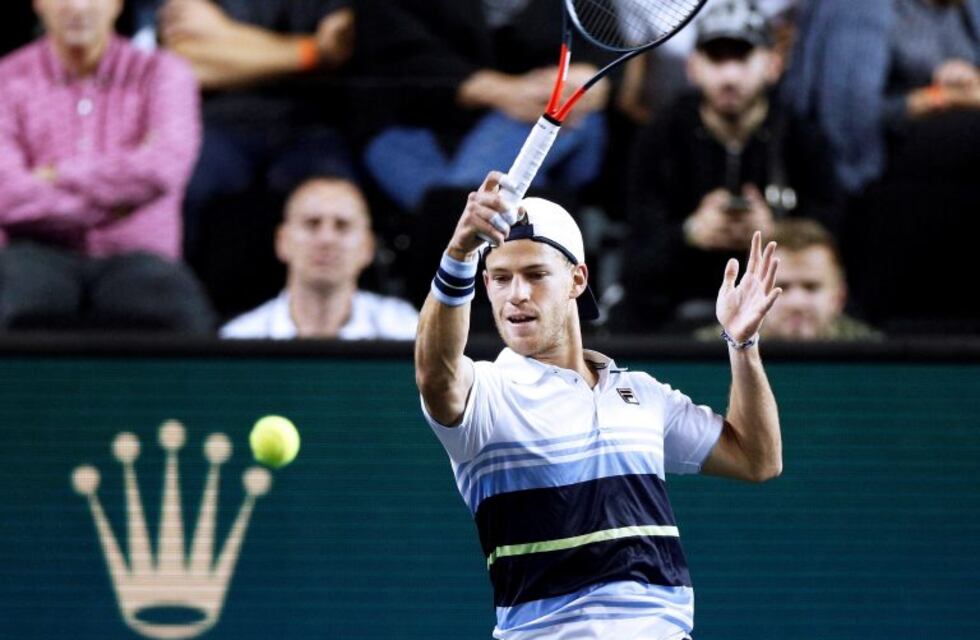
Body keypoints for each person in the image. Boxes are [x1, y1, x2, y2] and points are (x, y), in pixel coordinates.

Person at [414, 170, 783, 639]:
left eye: (535, 274)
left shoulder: (643, 395)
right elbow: (435, 373)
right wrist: (459, 254)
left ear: (576, 278)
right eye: (501, 278)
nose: (517, 295)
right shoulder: (487, 393)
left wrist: (742, 344)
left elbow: (757, 459)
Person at [618, 0, 838, 332]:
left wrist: (776, 233)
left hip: (776, 315)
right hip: (677, 313)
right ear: (693, 67)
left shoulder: (802, 135)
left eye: (742, 56)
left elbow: (835, 243)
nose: (729, 74)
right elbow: (635, 261)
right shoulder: (661, 136)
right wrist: (691, 232)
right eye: (716, 58)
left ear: (772, 64)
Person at [0, 0, 213, 332]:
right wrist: (118, 203)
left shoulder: (164, 73)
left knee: (183, 316)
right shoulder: (6, 78)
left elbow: (162, 168)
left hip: (140, 255)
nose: (78, 7)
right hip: (35, 251)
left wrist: (59, 174)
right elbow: (7, 193)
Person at [153, 0, 357, 280]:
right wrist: (309, 51)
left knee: (333, 199)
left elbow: (337, 47)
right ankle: (181, 308)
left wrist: (221, 34)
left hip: (309, 124)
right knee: (181, 186)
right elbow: (188, 62)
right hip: (218, 123)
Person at [353, 0, 609, 213]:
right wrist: (500, 91)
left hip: (543, 116)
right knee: (467, 205)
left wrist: (588, 79)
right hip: (412, 123)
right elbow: (389, 52)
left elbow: (603, 55)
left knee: (459, 208)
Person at [221, 177, 418, 339]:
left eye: (342, 225)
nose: (327, 239)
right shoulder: (239, 339)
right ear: (282, 241)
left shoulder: (408, 333)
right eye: (312, 224)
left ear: (368, 247)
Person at [696, 219, 881, 341]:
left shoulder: (874, 354)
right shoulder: (713, 349)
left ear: (839, 297)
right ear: (751, 296)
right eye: (781, 287)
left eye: (811, 287)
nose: (797, 303)